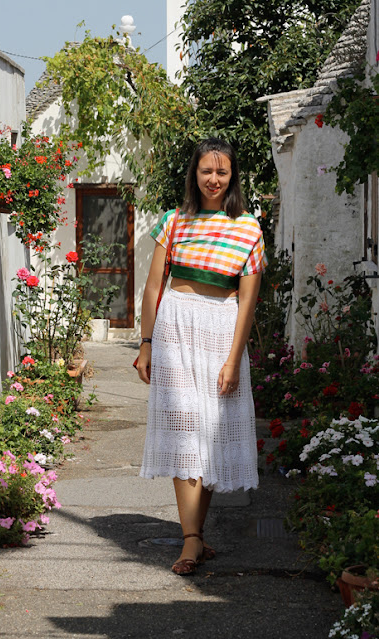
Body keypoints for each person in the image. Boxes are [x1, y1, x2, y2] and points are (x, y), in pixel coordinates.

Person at [136, 137, 267, 575]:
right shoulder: (173, 221)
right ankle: (191, 538)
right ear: (194, 174)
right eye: (206, 171)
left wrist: (233, 359)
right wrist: (146, 343)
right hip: (174, 325)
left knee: (210, 428)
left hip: (221, 329)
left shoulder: (248, 227)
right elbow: (153, 287)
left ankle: (194, 533)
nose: (214, 179)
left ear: (232, 176)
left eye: (222, 172)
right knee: (183, 426)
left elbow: (248, 302)